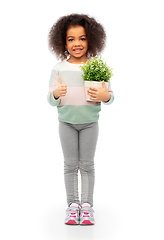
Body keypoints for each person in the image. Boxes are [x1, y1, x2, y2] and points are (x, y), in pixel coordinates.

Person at [47, 13, 114, 225]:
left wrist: (106, 96)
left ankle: (86, 206)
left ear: (91, 40)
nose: (77, 43)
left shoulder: (96, 67)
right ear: (63, 42)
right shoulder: (59, 68)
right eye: (71, 39)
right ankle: (72, 205)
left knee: (87, 165)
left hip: (90, 124)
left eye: (82, 38)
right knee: (69, 165)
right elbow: (51, 100)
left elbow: (109, 95)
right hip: (66, 123)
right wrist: (56, 93)